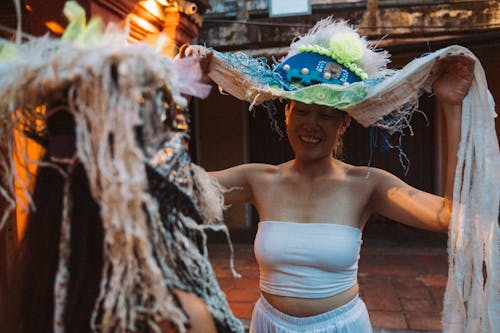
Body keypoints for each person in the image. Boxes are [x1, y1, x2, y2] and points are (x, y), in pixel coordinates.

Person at [184, 18, 481, 332]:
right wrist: (183, 89)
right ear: (286, 113)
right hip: (268, 324)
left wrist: (452, 106)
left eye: (327, 115)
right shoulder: (258, 179)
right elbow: (177, 187)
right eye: (302, 110)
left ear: (344, 124)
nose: (312, 124)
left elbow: (449, 216)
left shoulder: (367, 185)